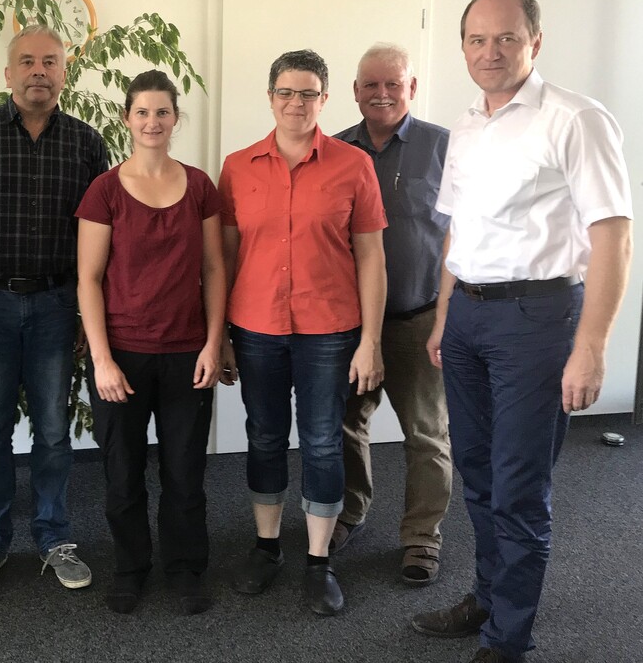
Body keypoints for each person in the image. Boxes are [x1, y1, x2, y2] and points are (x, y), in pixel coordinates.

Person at [411, 0, 632, 663]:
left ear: (535, 41)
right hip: (468, 317)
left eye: (506, 37)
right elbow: (456, 232)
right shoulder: (465, 126)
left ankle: (508, 640)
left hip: (538, 320)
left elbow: (613, 235)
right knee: (477, 473)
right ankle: (488, 596)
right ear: (462, 47)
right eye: (477, 39)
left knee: (518, 486)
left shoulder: (575, 118)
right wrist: (444, 316)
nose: (490, 52)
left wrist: (591, 346)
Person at [0, 24, 109, 597]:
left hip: (58, 304)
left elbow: (100, 237)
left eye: (50, 61)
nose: (39, 71)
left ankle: (54, 537)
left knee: (54, 431)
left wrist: (90, 315)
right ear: (8, 73)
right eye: (28, 61)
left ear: (64, 72)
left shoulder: (86, 143)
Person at [220, 49, 387, 616]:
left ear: (325, 99)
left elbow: (371, 257)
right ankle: (266, 547)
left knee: (322, 441)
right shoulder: (238, 167)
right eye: (286, 93)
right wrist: (220, 335)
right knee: (265, 436)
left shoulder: (353, 165)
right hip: (257, 326)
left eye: (308, 93)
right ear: (270, 98)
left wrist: (370, 341)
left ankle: (319, 561)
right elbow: (224, 257)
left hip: (330, 331)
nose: (296, 103)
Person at [76, 70, 225, 615]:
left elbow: (214, 268)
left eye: (162, 112)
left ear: (175, 118)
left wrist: (214, 343)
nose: (152, 122)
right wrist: (102, 361)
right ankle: (130, 568)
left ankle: (185, 568)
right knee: (123, 473)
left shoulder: (200, 187)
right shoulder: (105, 191)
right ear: (126, 119)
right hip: (123, 356)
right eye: (142, 112)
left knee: (185, 473)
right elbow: (88, 279)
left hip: (188, 354)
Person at [332, 43, 452, 586]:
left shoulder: (444, 148)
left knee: (426, 434)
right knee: (344, 425)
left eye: (393, 84)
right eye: (371, 85)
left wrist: (449, 317)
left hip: (419, 319)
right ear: (355, 91)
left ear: (412, 88)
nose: (381, 94)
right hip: (348, 324)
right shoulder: (333, 150)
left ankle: (422, 537)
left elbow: (462, 236)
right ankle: (349, 511)